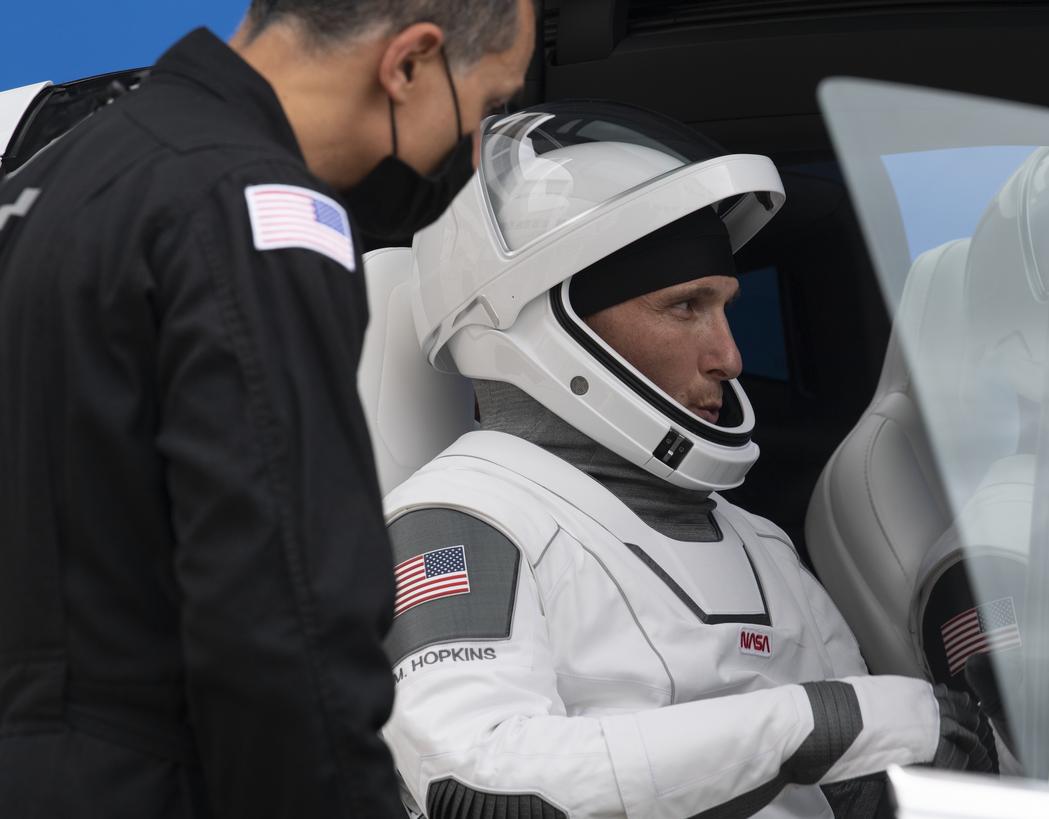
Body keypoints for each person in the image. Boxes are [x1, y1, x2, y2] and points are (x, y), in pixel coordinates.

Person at [378, 103, 996, 818]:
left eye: (727, 306)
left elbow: (862, 752)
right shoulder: (460, 521)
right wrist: (809, 724)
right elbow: (477, 782)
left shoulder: (758, 541)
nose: (730, 356)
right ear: (552, 319)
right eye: (685, 307)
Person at [0, 1, 533, 817]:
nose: (468, 152)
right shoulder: (257, 207)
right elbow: (281, 613)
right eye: (487, 106)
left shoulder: (63, 171)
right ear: (411, 63)